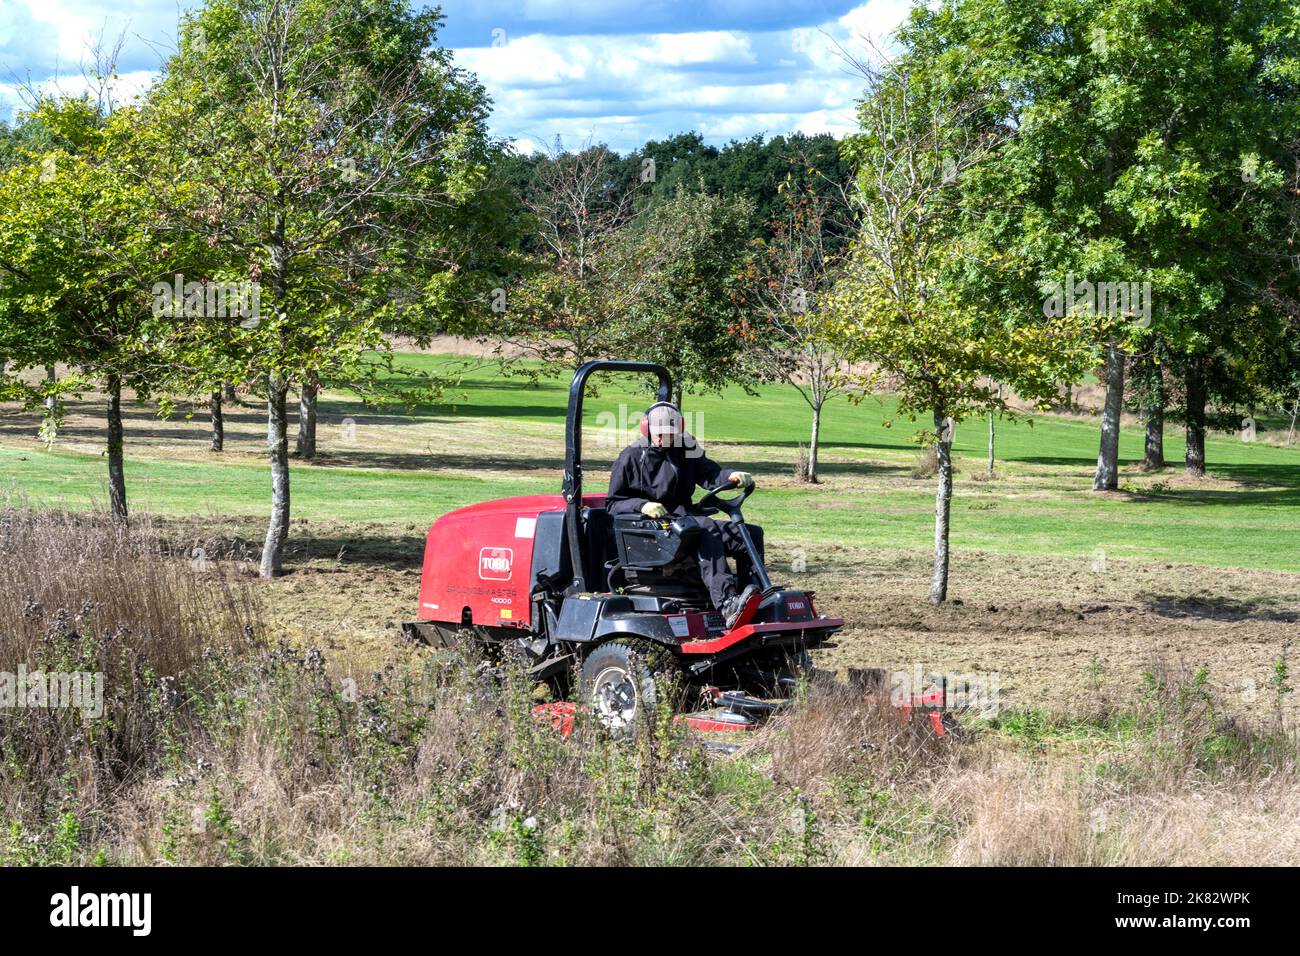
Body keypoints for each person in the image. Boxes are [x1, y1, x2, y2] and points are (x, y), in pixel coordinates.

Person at [606, 401, 763, 626]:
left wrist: (731, 476)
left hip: (684, 520)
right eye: (658, 433)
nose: (663, 438)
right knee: (706, 527)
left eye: (669, 434)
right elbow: (613, 503)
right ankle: (727, 602)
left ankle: (753, 597)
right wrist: (642, 505)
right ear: (646, 429)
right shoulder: (630, 457)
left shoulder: (686, 448)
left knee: (749, 533)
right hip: (651, 530)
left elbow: (711, 474)